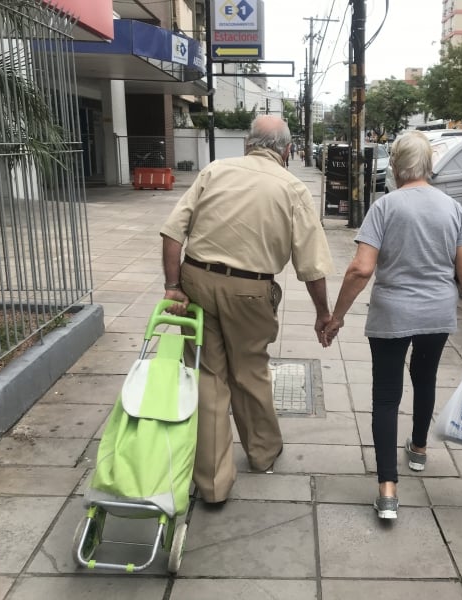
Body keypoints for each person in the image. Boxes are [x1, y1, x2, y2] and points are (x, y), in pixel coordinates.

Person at [160, 115, 334, 504]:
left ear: (247, 144)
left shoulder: (215, 171)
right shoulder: (292, 188)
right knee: (250, 371)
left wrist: (173, 286)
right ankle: (262, 453)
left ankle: (213, 483)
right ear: (287, 151)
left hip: (197, 281)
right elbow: (312, 266)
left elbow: (173, 232)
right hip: (250, 291)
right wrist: (323, 314)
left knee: (208, 377)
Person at [321, 130, 462, 520]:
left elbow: (360, 269)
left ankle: (387, 490)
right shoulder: (452, 209)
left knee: (385, 396)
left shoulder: (385, 207)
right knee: (425, 377)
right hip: (437, 313)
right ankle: (418, 449)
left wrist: (337, 317)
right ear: (429, 166)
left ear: (396, 167)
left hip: (392, 312)